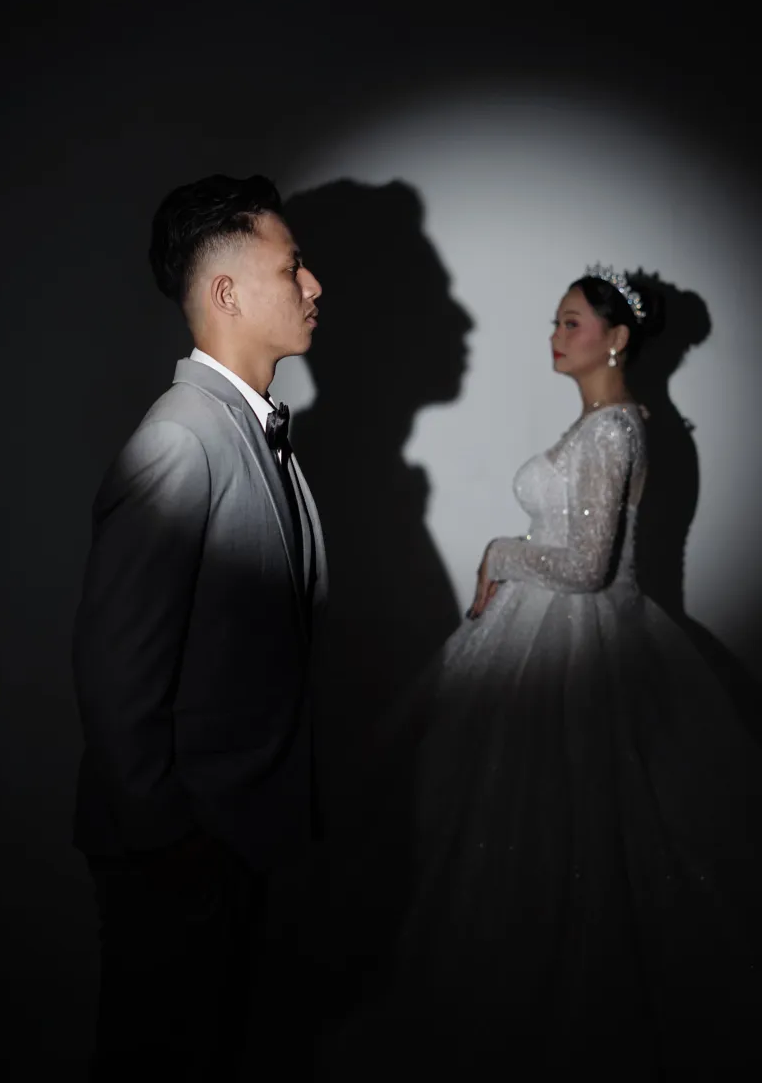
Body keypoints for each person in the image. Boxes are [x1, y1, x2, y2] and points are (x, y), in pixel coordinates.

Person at [322, 266, 762, 1080]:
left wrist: (501, 551)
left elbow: (589, 568)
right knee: (506, 823)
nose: (555, 337)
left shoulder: (614, 430)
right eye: (555, 322)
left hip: (583, 642)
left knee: (572, 827)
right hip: (550, 630)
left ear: (616, 338)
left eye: (571, 322)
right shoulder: (601, 425)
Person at [72, 174, 327, 1079]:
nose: (314, 285)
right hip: (181, 857)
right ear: (226, 292)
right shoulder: (182, 440)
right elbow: (115, 671)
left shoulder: (249, 432)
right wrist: (172, 843)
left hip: (239, 841)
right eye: (292, 267)